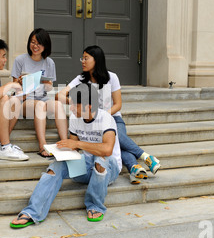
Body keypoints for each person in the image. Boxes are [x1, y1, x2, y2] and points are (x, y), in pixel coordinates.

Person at [10, 83, 121, 228]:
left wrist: (78, 145)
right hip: (87, 166)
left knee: (100, 159)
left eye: (75, 105)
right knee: (56, 166)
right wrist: (58, 151)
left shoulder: (105, 118)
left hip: (109, 169)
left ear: (88, 106)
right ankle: (33, 212)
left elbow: (107, 150)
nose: (72, 108)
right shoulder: (75, 119)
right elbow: (72, 149)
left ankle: (95, 206)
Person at [57, 45, 160, 184]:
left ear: (96, 60)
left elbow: (118, 104)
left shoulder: (112, 77)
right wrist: (75, 102)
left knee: (117, 138)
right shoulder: (81, 79)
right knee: (113, 144)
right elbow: (59, 95)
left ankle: (138, 163)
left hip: (113, 118)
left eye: (86, 58)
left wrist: (102, 117)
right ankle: (140, 162)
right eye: (82, 58)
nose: (82, 61)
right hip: (89, 120)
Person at [11, 28, 68, 157]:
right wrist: (20, 82)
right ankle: (42, 146)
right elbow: (15, 87)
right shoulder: (20, 60)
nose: (35, 46)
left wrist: (47, 85)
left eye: (39, 43)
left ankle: (65, 143)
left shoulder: (49, 63)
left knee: (58, 105)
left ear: (45, 45)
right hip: (25, 101)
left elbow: (48, 89)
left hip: (42, 98)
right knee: (40, 105)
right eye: (33, 42)